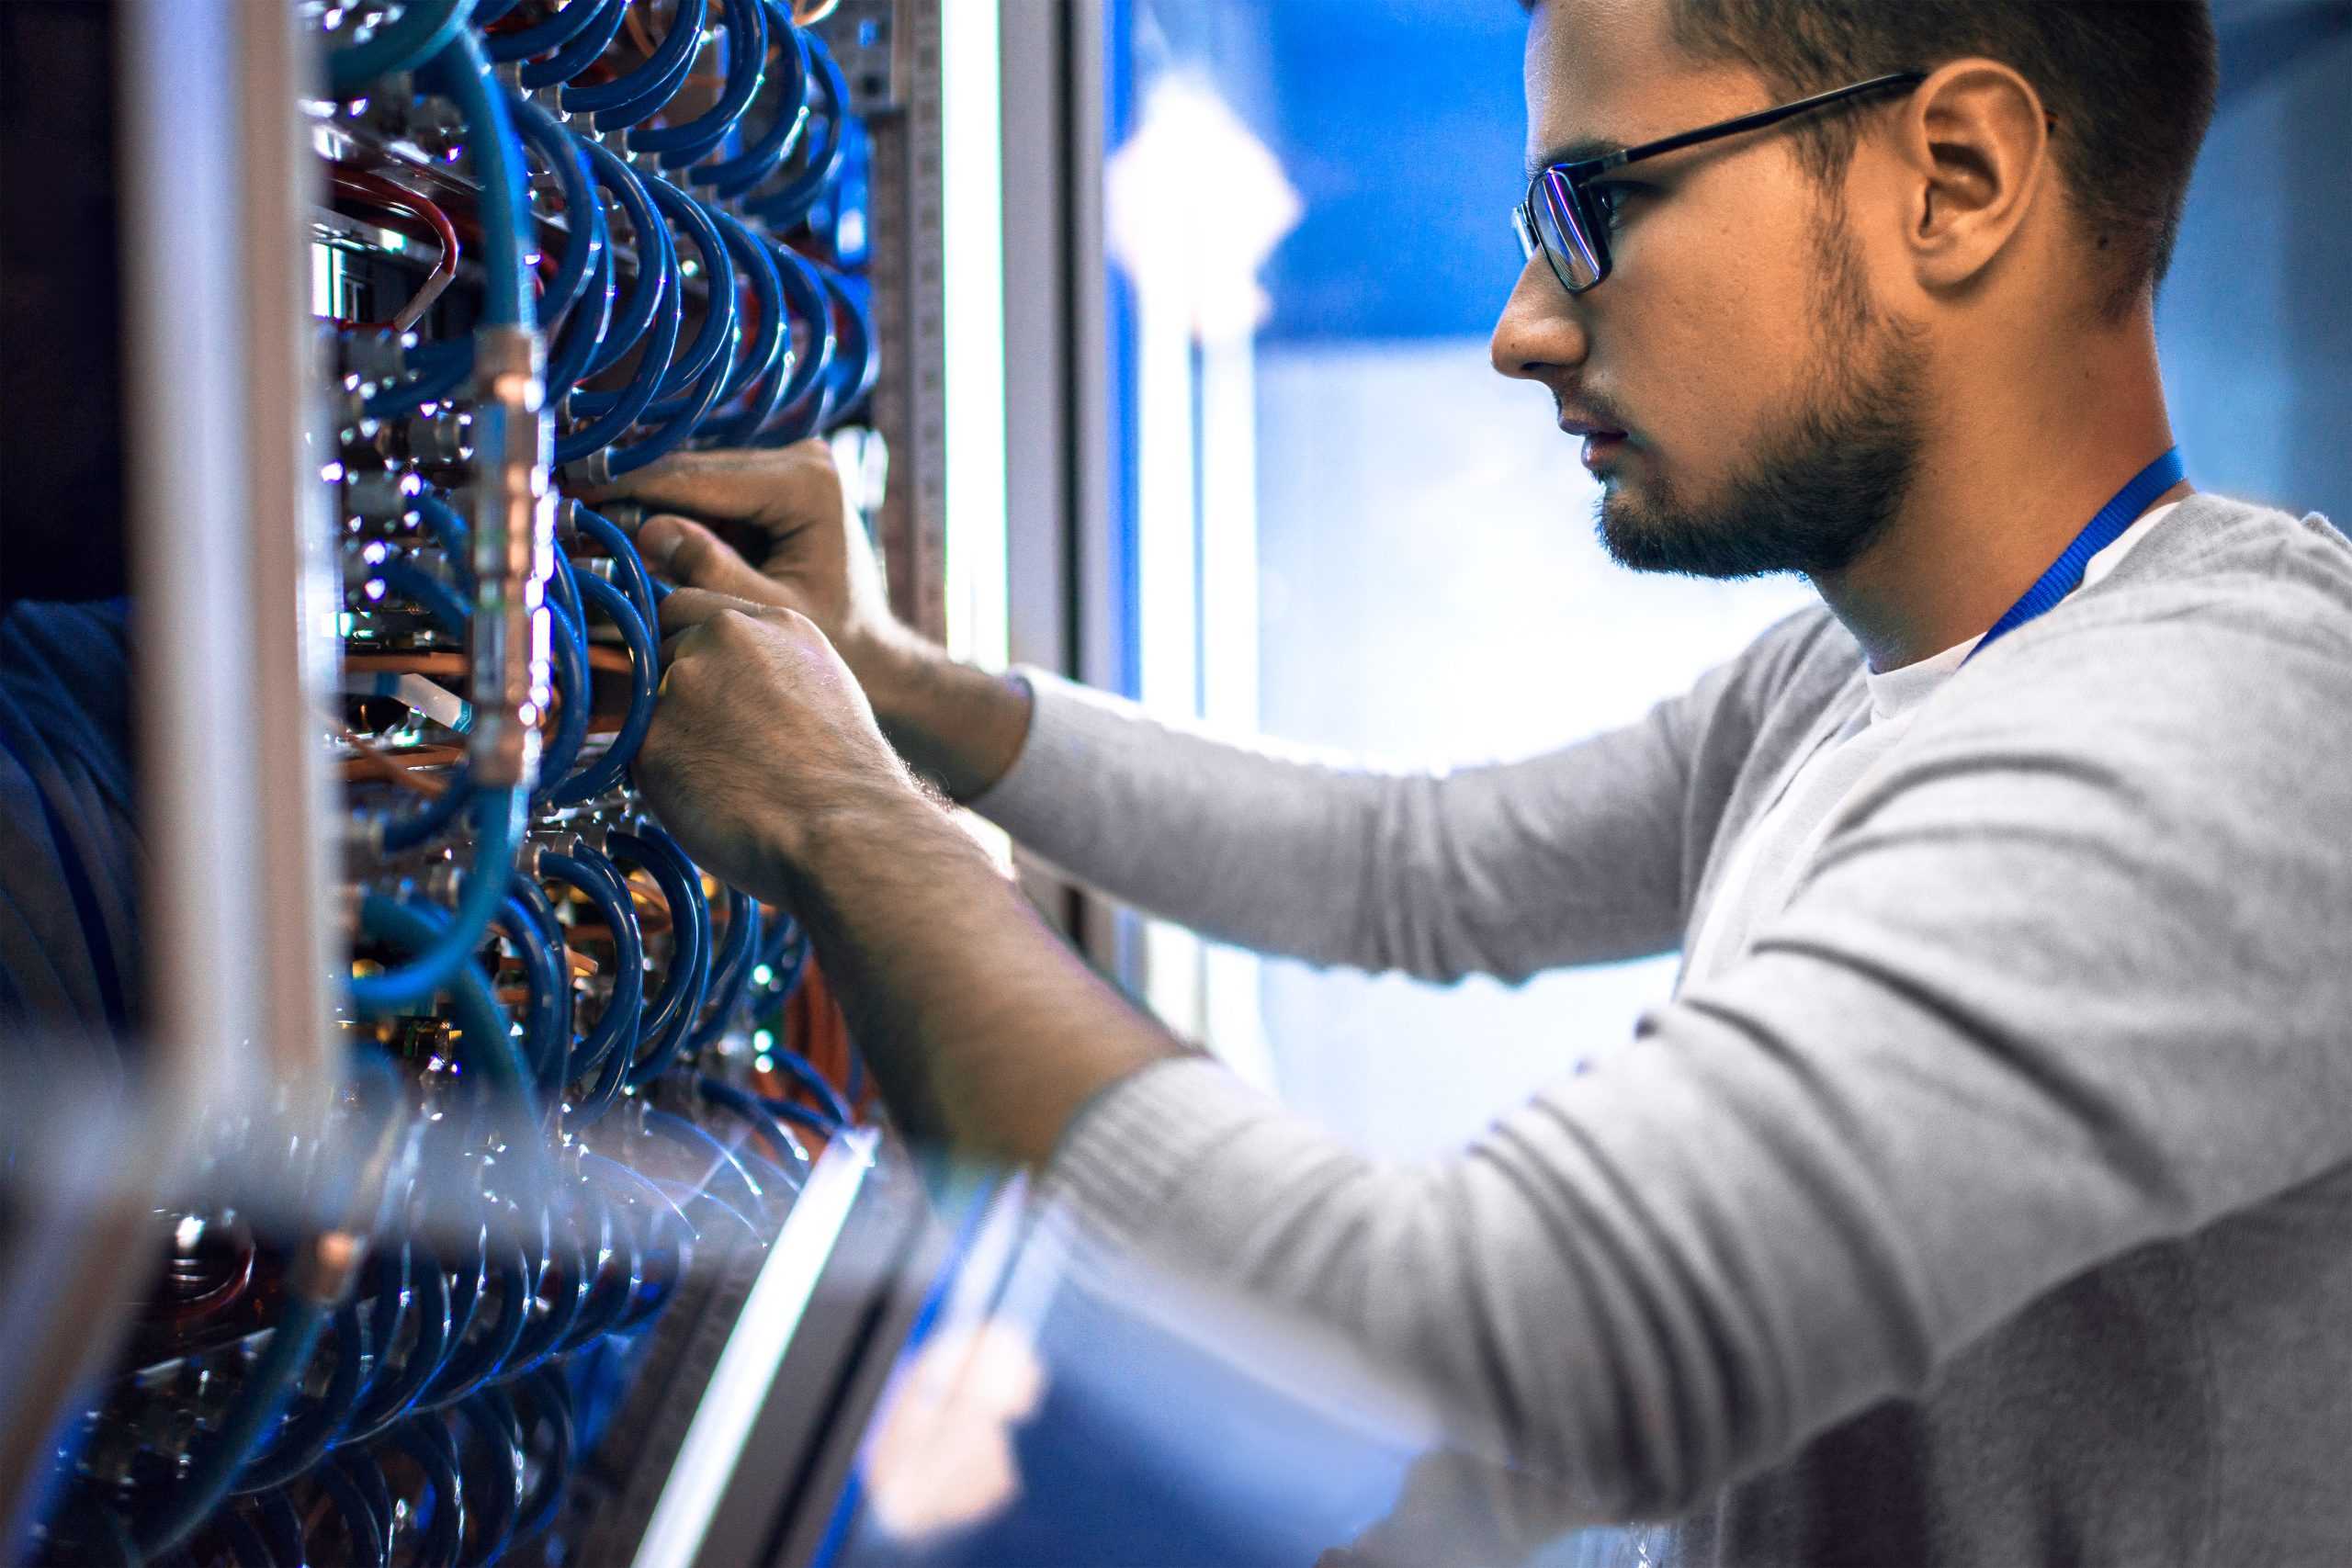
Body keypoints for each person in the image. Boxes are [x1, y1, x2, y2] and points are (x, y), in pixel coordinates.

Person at [594, 0, 2352, 1561]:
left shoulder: (2221, 732)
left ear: (1954, 179)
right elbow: (1409, 865)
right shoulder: (1846, 681)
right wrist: (892, 685)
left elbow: (1486, 1343)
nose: (1523, 331)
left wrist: (842, 823)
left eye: (1595, 210)